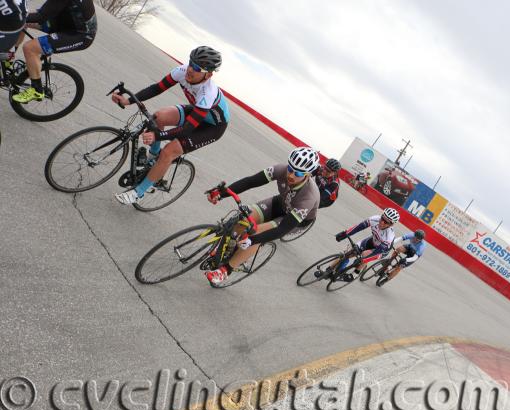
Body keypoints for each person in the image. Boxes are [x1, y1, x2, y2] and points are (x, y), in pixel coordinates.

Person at [111, 46, 230, 205]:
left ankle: (138, 192)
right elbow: (157, 88)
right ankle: (153, 158)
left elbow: (188, 129)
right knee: (158, 117)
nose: (190, 69)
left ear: (208, 74)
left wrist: (157, 135)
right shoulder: (182, 71)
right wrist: (128, 101)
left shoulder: (208, 92)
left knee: (168, 152)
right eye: (190, 63)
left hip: (212, 127)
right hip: (197, 112)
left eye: (196, 68)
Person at [205, 147, 320, 286]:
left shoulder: (309, 196)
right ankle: (228, 248)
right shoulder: (281, 169)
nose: (291, 175)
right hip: (281, 203)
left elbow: (282, 229)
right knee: (244, 218)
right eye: (290, 168)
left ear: (308, 175)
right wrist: (221, 194)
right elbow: (250, 182)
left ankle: (226, 270)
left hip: (294, 220)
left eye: (298, 173)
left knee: (257, 233)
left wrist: (253, 240)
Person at [12, 0, 97, 103]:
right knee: (20, 22)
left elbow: (40, 17)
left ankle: (37, 90)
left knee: (30, 48)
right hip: (64, 23)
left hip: (80, 35)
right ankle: (9, 57)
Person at [325, 207, 400, 282]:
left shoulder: (389, 236)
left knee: (365, 255)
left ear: (391, 225)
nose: (382, 222)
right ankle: (328, 270)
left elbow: (376, 252)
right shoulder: (375, 219)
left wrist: (363, 259)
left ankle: (355, 274)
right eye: (382, 218)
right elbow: (358, 227)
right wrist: (345, 234)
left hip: (381, 251)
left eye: (386, 222)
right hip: (372, 241)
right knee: (347, 252)